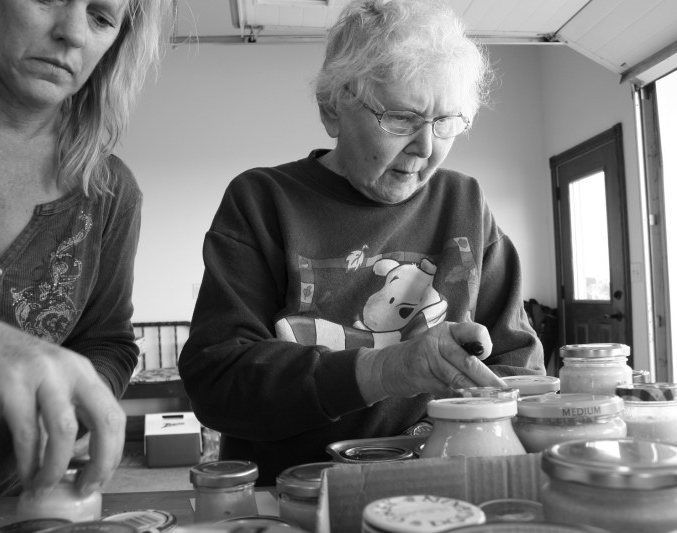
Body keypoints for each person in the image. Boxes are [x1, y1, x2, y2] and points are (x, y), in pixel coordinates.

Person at [178, 0, 545, 486]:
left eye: (445, 122)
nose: (425, 147)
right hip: (297, 494)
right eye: (400, 118)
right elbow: (218, 383)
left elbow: (517, 363)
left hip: (442, 486)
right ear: (333, 110)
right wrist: (387, 370)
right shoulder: (263, 201)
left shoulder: (465, 202)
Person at [0, 0, 168, 499]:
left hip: (3, 507)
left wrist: (75, 406)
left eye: (100, 17)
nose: (73, 33)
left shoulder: (110, 193)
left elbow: (106, 341)